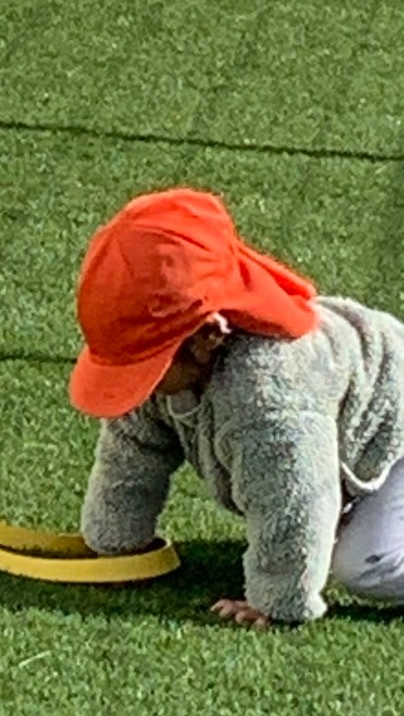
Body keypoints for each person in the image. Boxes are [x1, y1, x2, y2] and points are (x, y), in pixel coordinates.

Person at [70, 187, 404, 627]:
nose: (134, 383)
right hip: (353, 442)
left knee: (367, 564)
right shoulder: (175, 366)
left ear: (207, 336)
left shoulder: (270, 392)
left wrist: (277, 600)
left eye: (144, 362)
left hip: (396, 440)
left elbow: (296, 494)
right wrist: (117, 544)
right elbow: (131, 447)